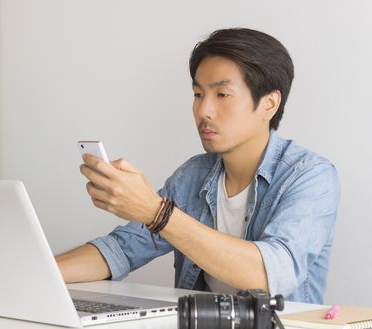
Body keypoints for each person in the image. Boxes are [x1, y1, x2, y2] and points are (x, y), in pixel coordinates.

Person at [56, 28, 340, 304]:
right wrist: (29, 273)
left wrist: (156, 212)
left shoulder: (310, 176)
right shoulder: (193, 175)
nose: (204, 111)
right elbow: (121, 249)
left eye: (222, 95)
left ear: (269, 103)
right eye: (198, 94)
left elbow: (267, 274)